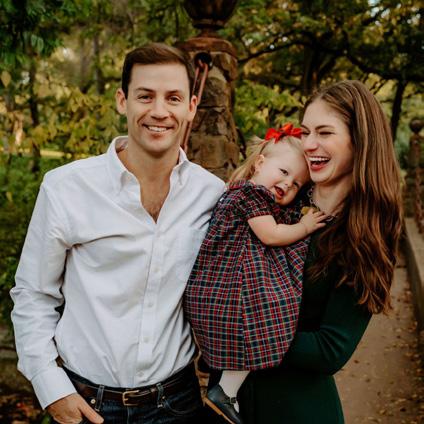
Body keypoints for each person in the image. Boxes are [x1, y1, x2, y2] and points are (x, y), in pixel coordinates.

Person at [10, 43, 225, 424]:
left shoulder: (211, 194)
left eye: (173, 98)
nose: (159, 111)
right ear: (122, 101)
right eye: (145, 96)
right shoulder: (66, 188)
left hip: (178, 404)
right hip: (87, 405)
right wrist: (50, 386)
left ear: (191, 107)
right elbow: (33, 294)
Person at [234, 80, 403, 423]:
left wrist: (241, 329)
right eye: (306, 131)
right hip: (229, 405)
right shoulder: (283, 193)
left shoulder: (365, 234)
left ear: (360, 140)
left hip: (295, 410)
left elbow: (330, 349)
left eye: (324, 132)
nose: (309, 144)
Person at [184, 124, 327, 424]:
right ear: (260, 163)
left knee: (257, 320)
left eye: (297, 184)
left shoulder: (250, 196)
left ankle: (224, 380)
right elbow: (271, 235)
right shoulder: (249, 194)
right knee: (264, 316)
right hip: (226, 288)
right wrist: (304, 227)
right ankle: (225, 391)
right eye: (284, 172)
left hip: (220, 287)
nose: (287, 184)